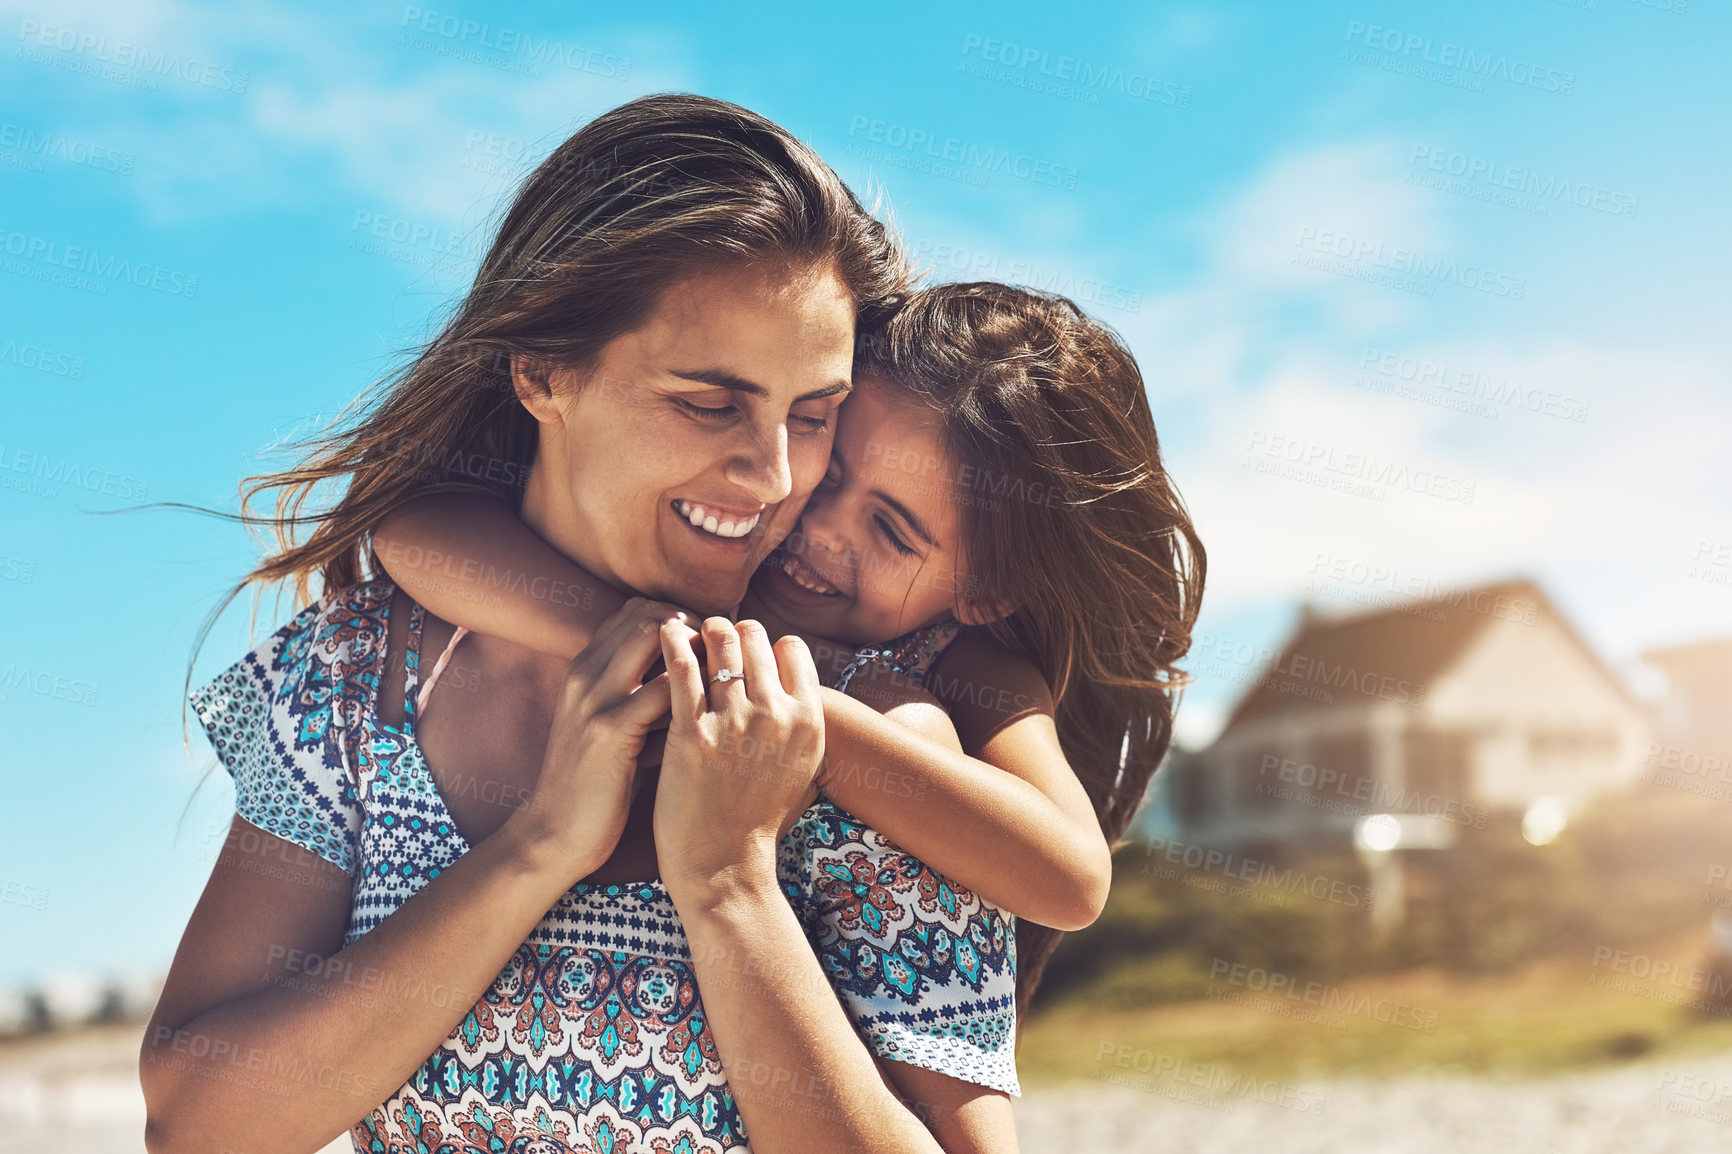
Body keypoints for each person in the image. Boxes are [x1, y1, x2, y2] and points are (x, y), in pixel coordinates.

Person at [143, 95, 1018, 1154]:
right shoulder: (357, 680)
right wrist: (539, 843)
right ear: (542, 372)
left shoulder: (851, 718)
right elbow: (195, 1124)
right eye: (710, 402)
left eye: (812, 411)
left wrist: (732, 883)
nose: (773, 474)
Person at [374, 279, 1207, 1026]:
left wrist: (800, 720)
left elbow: (1069, 877)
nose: (818, 528)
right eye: (830, 469)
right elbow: (415, 535)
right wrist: (680, 653)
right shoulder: (708, 573)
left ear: (984, 591)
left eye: (891, 530)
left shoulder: (954, 663)